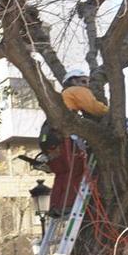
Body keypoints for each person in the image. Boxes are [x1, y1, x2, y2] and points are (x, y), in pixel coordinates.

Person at [47, 68, 108, 216]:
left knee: (62, 173)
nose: (86, 85)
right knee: (75, 169)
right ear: (72, 81)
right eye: (83, 81)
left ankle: (56, 206)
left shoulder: (63, 97)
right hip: (64, 136)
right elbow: (93, 107)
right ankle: (67, 205)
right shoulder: (76, 90)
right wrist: (111, 113)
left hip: (50, 137)